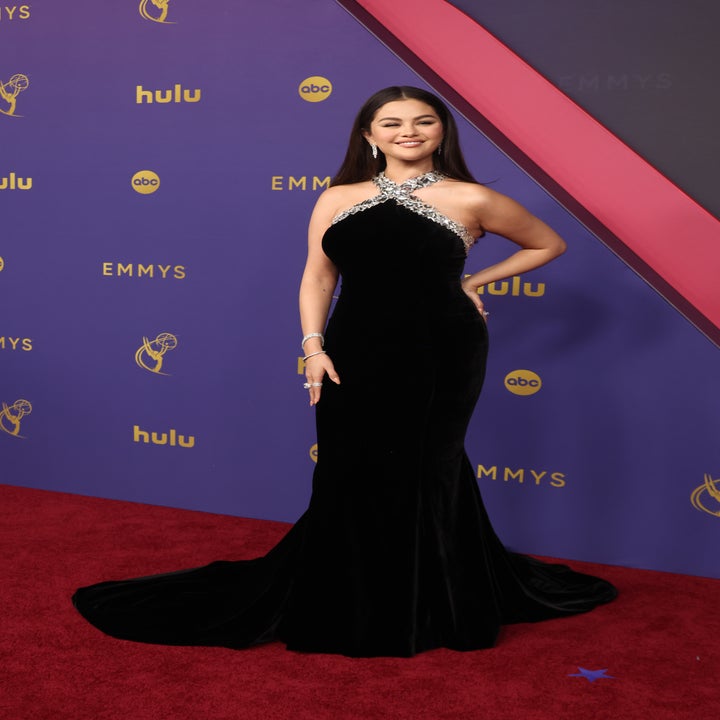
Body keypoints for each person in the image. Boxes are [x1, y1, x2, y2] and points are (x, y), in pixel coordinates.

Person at [73, 86, 616, 658]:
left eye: (423, 121)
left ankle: (433, 600)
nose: (408, 131)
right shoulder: (336, 197)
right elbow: (318, 278)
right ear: (368, 134)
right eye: (391, 122)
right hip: (352, 346)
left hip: (442, 351)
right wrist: (313, 347)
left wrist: (472, 282)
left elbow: (547, 243)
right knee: (346, 467)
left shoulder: (472, 198)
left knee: (428, 466)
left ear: (443, 131)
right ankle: (346, 593)